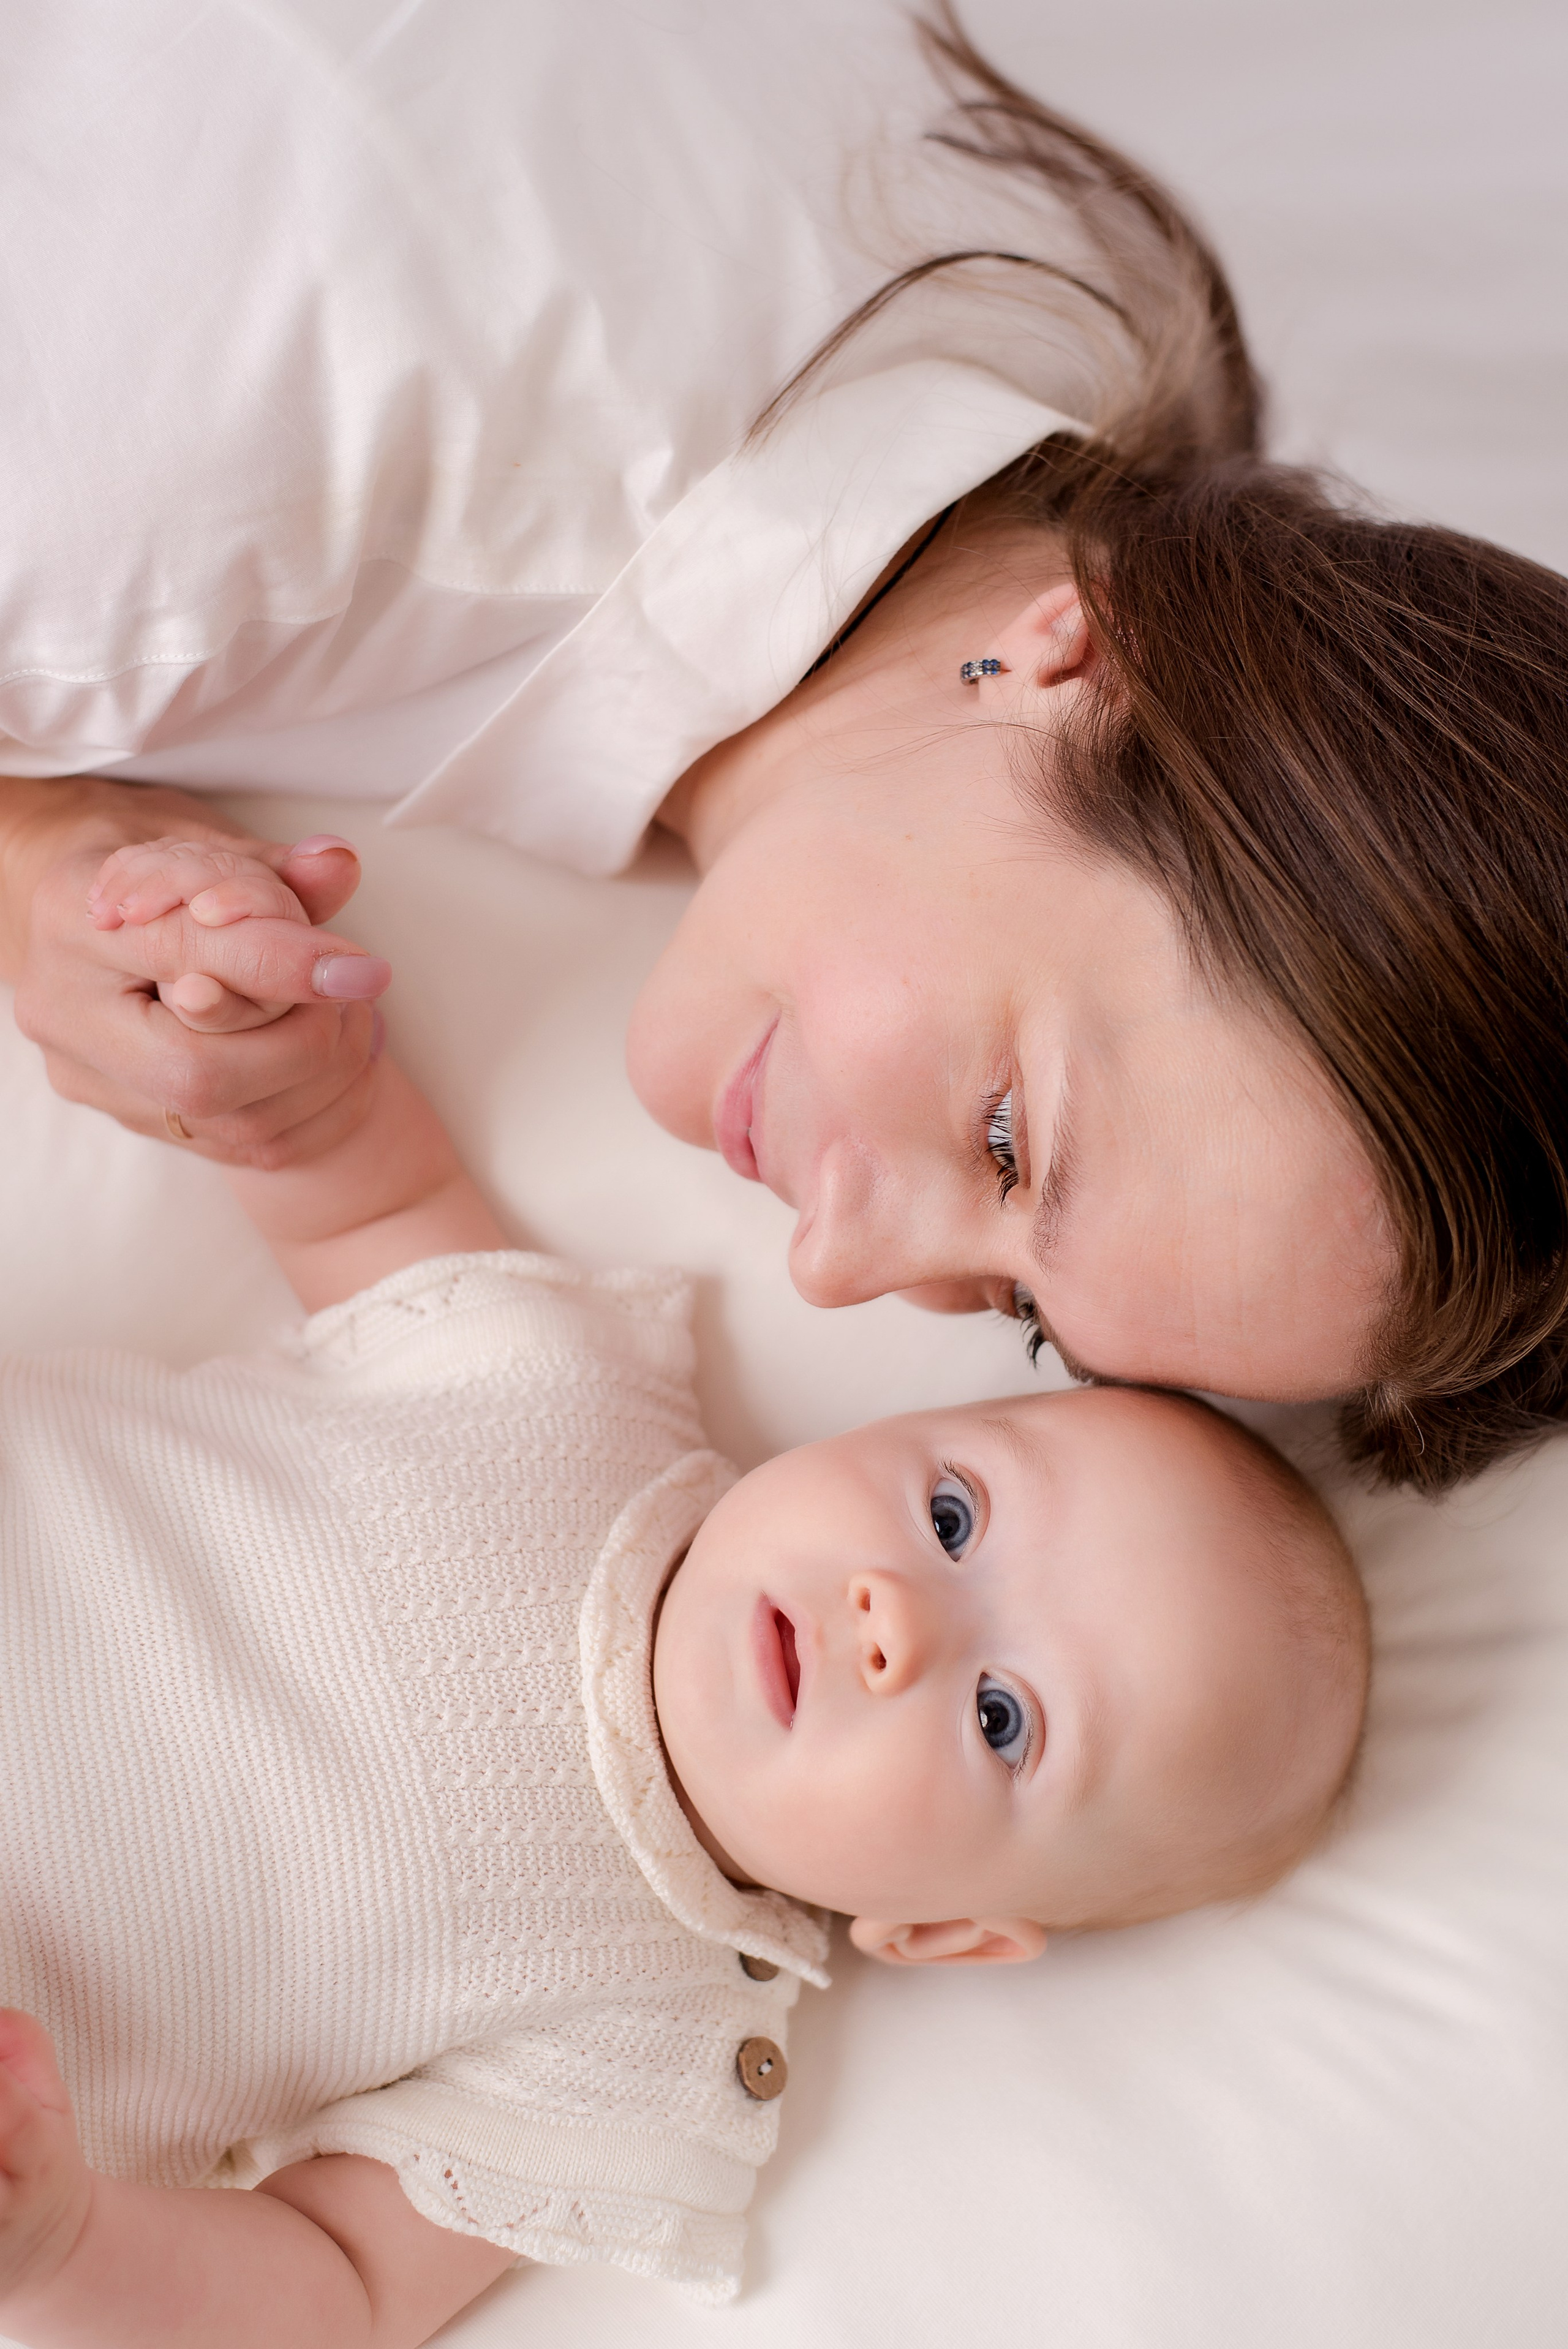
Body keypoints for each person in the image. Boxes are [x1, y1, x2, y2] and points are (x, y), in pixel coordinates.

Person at [3, 5, 1566, 1491]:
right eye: (1007, 1140)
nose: (830, 1268)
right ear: (1081, 654)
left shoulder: (1018, 335)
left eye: (1013, 1309)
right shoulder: (166, 517)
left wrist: (64, 853)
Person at [0, 837, 1366, 2349]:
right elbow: (357, 1202)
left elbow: (333, 2287)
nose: (891, 1617)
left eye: (1000, 1718)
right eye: (951, 1513)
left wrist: (63, 2243)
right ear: (876, 1435)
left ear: (945, 1929)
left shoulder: (641, 2042)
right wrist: (276, 1057)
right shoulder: (569, 1399)